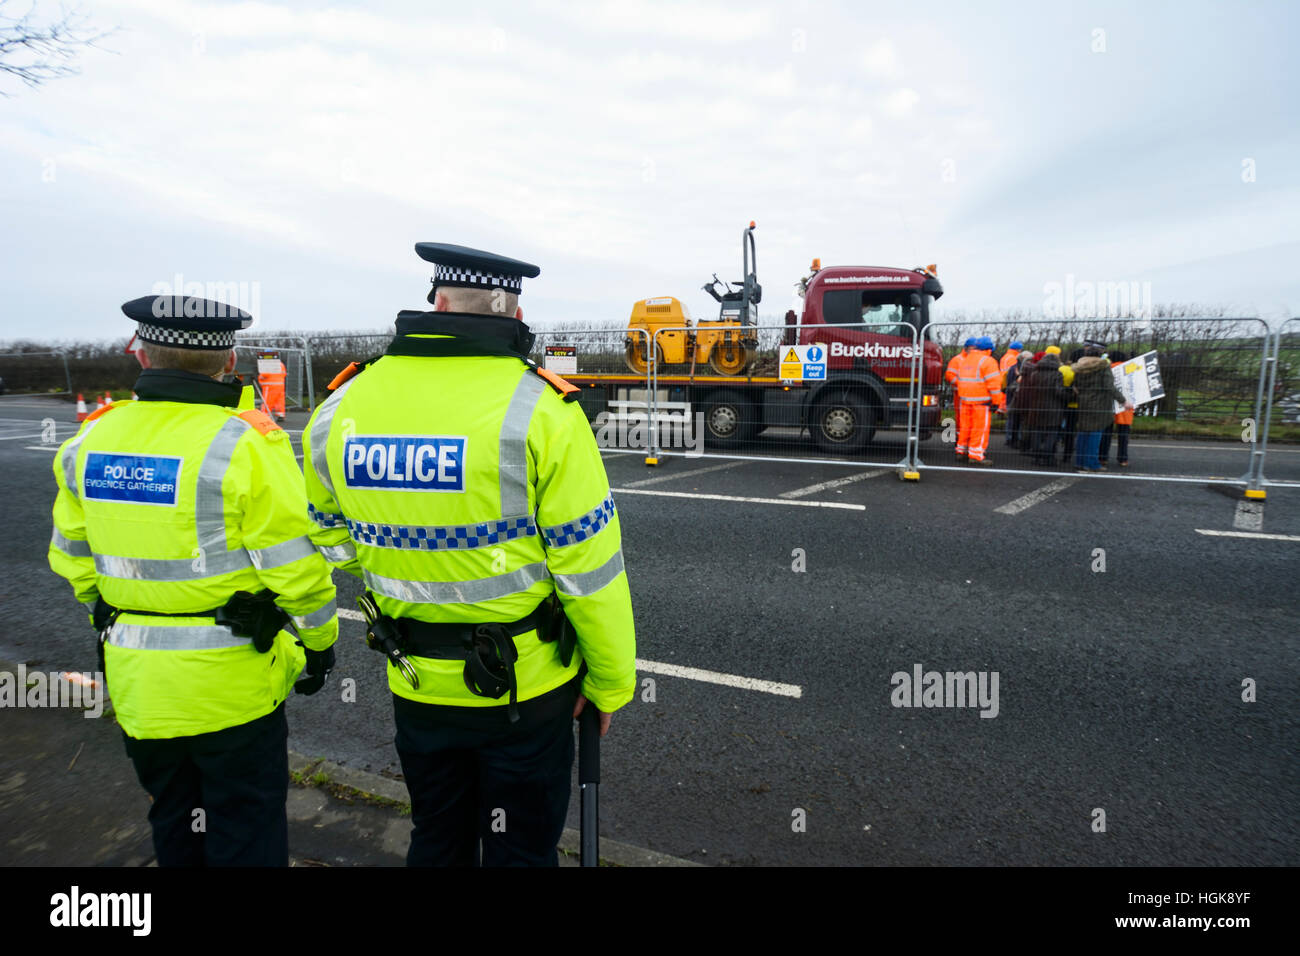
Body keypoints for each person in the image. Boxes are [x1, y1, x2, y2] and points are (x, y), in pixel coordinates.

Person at [303, 243, 637, 867]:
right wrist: (612, 682)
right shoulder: (543, 409)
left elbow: (332, 540)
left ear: (436, 301)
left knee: (437, 839)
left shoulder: (340, 407)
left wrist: (403, 565)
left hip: (417, 685)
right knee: (521, 854)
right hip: (527, 693)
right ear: (513, 311)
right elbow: (590, 574)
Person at [48, 295, 338, 867]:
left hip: (139, 684)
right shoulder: (247, 442)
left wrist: (115, 619)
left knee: (175, 822)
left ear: (143, 357)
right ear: (229, 361)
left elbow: (74, 560)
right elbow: (295, 567)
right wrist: (320, 644)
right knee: (247, 829)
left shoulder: (89, 440)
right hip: (232, 687)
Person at [1071, 340, 1134, 472]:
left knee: (1083, 432)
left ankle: (1080, 461)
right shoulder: (1103, 366)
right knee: (1095, 434)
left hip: (1083, 403)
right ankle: (1092, 463)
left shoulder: (1079, 367)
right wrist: (1123, 401)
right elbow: (1109, 386)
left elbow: (1075, 386)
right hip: (1099, 404)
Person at [953, 335, 1005, 465]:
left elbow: (959, 380)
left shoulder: (965, 360)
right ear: (989, 349)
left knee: (965, 427)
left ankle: (962, 451)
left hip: (965, 400)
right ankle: (975, 455)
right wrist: (996, 402)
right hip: (982, 402)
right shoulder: (988, 361)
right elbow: (994, 384)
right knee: (979, 429)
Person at [1018, 349, 1069, 466]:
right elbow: (1058, 392)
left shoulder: (1034, 374)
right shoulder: (1057, 374)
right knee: (1051, 433)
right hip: (1053, 409)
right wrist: (1069, 395)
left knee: (1036, 432)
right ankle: (1048, 457)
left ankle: (1036, 457)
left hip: (1036, 408)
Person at [1099, 350, 1133, 467]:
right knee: (1123, 435)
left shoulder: (1108, 369)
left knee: (1106, 433)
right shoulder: (1130, 370)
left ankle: (1103, 457)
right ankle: (1123, 459)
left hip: (1109, 405)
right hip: (1126, 406)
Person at [945, 336, 977, 454]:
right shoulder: (957, 360)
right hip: (960, 393)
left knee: (970, 419)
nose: (974, 351)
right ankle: (960, 441)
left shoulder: (974, 360)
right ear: (967, 348)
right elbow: (949, 376)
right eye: (973, 348)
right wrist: (961, 385)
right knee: (961, 418)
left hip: (973, 394)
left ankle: (966, 442)